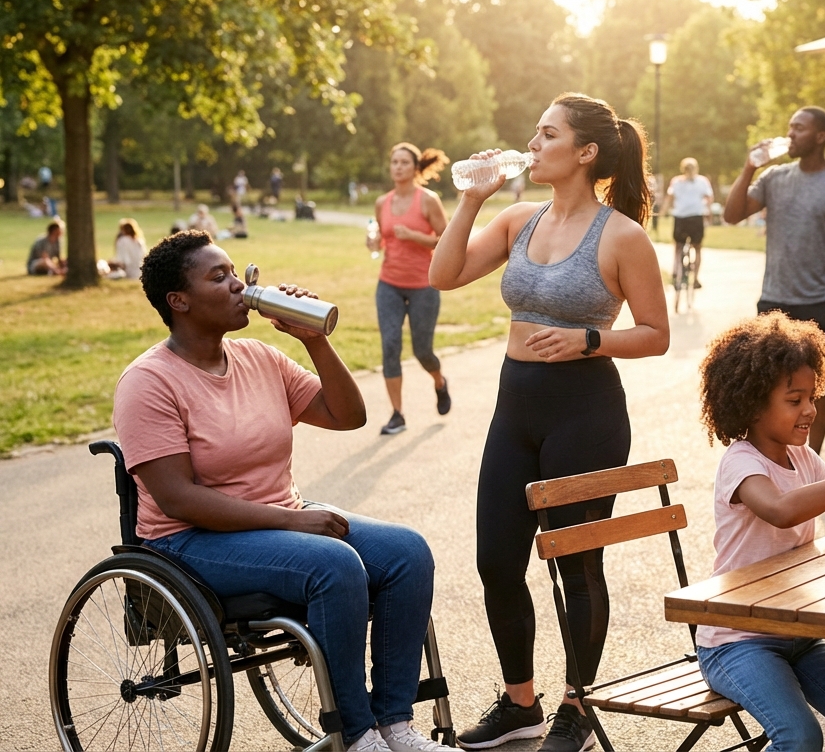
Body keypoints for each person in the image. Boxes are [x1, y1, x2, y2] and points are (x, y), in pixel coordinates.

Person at [111, 230, 452, 752]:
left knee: (407, 552)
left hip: (277, 518)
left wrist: (314, 340)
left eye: (236, 273)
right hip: (189, 539)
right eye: (219, 277)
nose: (239, 285)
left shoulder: (259, 358)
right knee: (334, 565)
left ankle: (395, 725)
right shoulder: (148, 382)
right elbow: (178, 498)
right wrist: (293, 521)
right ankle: (357, 735)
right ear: (178, 301)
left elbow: (348, 415)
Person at [429, 92, 669, 752]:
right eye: (534, 134)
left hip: (585, 413)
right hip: (515, 409)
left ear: (585, 152)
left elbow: (656, 334)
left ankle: (577, 707)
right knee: (496, 563)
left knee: (577, 567)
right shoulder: (518, 219)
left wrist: (589, 340)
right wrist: (471, 200)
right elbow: (443, 274)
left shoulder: (621, 236)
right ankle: (520, 705)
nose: (532, 145)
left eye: (547, 135)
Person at [695, 312, 825, 752]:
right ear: (753, 405)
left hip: (798, 633)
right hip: (737, 640)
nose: (810, 409)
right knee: (800, 738)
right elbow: (781, 511)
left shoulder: (803, 457)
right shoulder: (742, 462)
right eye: (795, 400)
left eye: (812, 396)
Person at [723, 105, 825, 454]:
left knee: (816, 387)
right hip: (774, 299)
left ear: (820, 136)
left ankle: (811, 460)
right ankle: (771, 455)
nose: (790, 134)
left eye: (799, 128)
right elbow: (732, 215)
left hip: (819, 302)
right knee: (767, 384)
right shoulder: (774, 178)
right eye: (790, 127)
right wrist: (749, 167)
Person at [370, 142, 452, 435]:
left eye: (404, 162)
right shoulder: (382, 202)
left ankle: (440, 382)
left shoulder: (428, 200)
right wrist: (373, 242)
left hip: (423, 285)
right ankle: (397, 414)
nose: (398, 167)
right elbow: (383, 238)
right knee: (390, 346)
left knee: (423, 351)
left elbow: (447, 239)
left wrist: (414, 236)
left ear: (416, 168)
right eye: (394, 162)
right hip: (389, 284)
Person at [665, 157, 713, 288]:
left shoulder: (676, 181)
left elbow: (669, 197)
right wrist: (708, 212)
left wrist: (664, 212)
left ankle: (676, 273)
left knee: (678, 247)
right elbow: (709, 198)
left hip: (680, 217)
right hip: (696, 217)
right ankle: (695, 279)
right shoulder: (702, 181)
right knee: (697, 247)